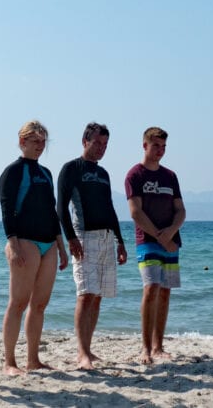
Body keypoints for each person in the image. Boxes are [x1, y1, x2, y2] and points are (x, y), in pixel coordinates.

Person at [0, 120, 68, 374]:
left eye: (43, 142)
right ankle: (9, 362)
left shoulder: (45, 173)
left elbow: (52, 212)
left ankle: (33, 359)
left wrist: (61, 247)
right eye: (35, 141)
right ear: (22, 142)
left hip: (48, 243)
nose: (40, 146)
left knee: (39, 304)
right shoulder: (13, 172)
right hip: (24, 242)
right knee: (18, 302)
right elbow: (6, 208)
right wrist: (13, 244)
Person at [57, 122, 128, 370]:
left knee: (97, 297)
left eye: (105, 144)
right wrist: (71, 238)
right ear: (85, 141)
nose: (101, 148)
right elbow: (61, 207)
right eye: (97, 143)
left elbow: (110, 208)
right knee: (85, 294)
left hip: (107, 238)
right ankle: (82, 352)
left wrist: (120, 241)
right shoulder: (71, 169)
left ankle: (88, 348)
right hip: (83, 237)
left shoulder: (104, 174)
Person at [125, 126, 184, 365]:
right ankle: (145, 348)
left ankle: (159, 346)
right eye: (156, 146)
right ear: (145, 146)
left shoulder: (170, 176)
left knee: (165, 293)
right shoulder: (135, 175)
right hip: (147, 242)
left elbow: (180, 210)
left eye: (163, 147)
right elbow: (135, 213)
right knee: (150, 290)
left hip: (171, 242)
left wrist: (170, 233)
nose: (160, 151)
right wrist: (161, 237)